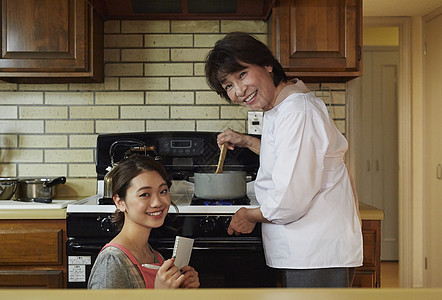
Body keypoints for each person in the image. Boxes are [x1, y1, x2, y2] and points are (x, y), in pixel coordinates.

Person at [205, 32, 363, 288]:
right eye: (228, 86)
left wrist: (250, 215)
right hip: (305, 249)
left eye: (242, 74)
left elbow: (290, 200)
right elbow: (287, 156)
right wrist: (246, 141)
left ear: (267, 64)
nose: (239, 90)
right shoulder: (280, 107)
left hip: (316, 251)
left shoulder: (297, 111)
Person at [88, 155, 200, 289]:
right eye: (145, 194)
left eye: (163, 191)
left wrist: (181, 290)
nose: (157, 202)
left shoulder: (155, 257)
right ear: (120, 202)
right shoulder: (112, 261)